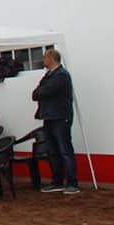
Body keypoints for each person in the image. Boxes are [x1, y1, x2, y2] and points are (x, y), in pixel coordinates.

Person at [31, 49, 79, 195]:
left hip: (59, 116)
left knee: (64, 149)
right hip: (49, 116)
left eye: (45, 57)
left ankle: (72, 182)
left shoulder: (61, 75)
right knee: (53, 151)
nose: (43, 60)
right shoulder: (50, 75)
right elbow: (36, 94)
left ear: (52, 58)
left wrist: (41, 91)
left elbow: (42, 92)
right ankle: (57, 181)